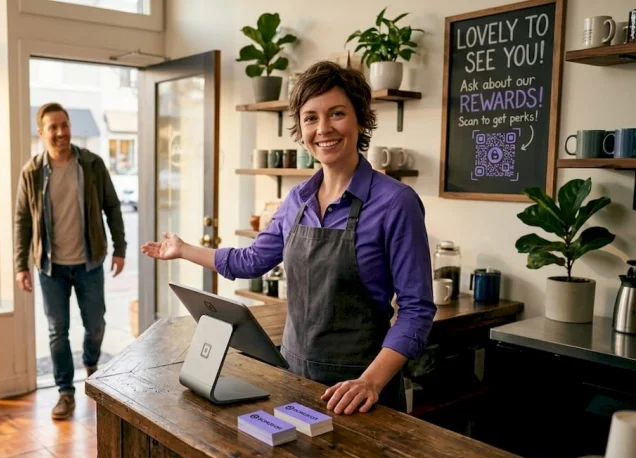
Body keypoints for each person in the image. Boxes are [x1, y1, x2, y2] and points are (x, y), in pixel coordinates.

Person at [141, 61, 435, 415]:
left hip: (360, 391)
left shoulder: (395, 202)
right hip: (293, 377)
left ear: (361, 118)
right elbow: (251, 261)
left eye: (337, 113)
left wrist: (370, 382)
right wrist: (183, 249)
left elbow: (416, 311)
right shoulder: (297, 200)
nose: (323, 129)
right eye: (310, 117)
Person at [15, 102, 127, 420]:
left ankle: (91, 362)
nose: (61, 132)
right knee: (57, 330)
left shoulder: (91, 164)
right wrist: (20, 264)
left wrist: (120, 248)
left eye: (64, 125)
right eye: (54, 127)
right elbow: (22, 220)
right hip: (51, 268)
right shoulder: (32, 172)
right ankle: (65, 392)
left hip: (89, 262)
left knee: (96, 325)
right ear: (41, 132)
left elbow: (113, 207)